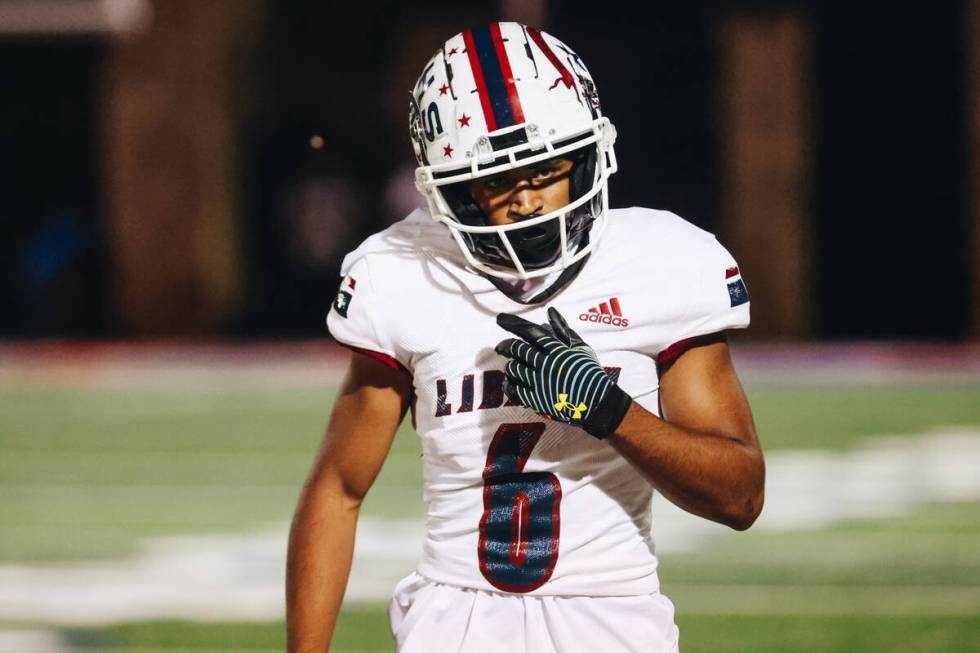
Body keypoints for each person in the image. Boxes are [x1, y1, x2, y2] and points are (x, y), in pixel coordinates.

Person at [286, 21, 765, 653]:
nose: (524, 202)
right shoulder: (402, 273)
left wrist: (607, 411)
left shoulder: (663, 263)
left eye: (545, 169)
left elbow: (740, 495)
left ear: (588, 154)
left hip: (613, 621)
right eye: (493, 180)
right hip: (452, 625)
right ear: (450, 189)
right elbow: (339, 488)